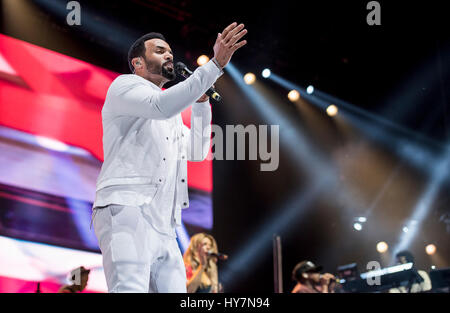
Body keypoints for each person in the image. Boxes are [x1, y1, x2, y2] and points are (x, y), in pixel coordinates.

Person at [91, 22, 247, 293]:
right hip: (127, 208)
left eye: (171, 53)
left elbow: (198, 152)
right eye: (160, 51)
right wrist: (214, 66)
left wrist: (200, 103)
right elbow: (160, 107)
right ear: (137, 63)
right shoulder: (124, 86)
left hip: (164, 224)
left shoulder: (171, 116)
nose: (169, 57)